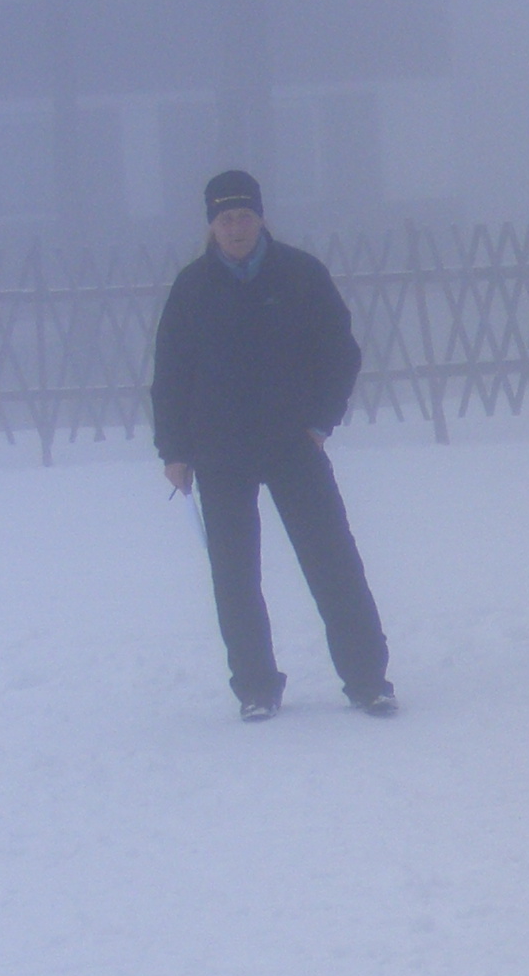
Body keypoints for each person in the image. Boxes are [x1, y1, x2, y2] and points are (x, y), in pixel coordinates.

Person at [153, 169, 392, 719]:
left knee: (333, 562)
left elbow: (340, 352)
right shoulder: (192, 289)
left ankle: (367, 679)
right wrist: (174, 449)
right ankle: (256, 687)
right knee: (235, 576)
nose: (235, 228)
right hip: (220, 452)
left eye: (243, 216)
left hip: (293, 445)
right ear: (211, 226)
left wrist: (319, 421)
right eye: (224, 219)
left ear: (261, 218)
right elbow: (170, 373)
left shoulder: (300, 275)